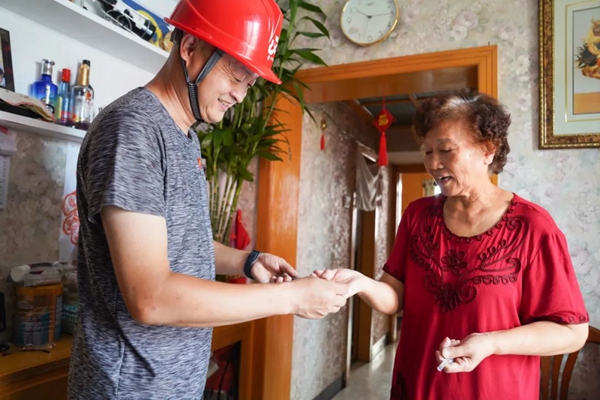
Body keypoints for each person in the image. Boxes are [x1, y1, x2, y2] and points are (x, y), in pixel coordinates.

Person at [68, 0, 348, 399]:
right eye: (237, 74)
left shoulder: (184, 136)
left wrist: (246, 261)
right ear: (190, 48)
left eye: (250, 83)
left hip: (169, 383)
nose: (240, 94)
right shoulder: (132, 129)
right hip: (128, 387)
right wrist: (289, 297)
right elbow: (151, 297)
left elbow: (179, 241)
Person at [314, 92, 589, 400]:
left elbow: (572, 332)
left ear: (488, 150)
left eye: (445, 149)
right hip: (416, 386)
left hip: (493, 390)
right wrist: (360, 283)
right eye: (427, 151)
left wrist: (491, 343)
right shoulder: (417, 216)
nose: (433, 163)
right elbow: (395, 297)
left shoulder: (533, 227)